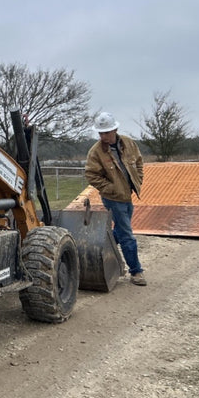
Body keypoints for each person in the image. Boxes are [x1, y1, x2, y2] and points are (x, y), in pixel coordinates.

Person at [85, 112, 147, 286]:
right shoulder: (96, 152)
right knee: (127, 234)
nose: (103, 136)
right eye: (100, 133)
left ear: (115, 129)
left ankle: (100, 246)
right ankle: (136, 271)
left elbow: (139, 162)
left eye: (106, 132)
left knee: (120, 231)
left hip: (128, 195)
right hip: (113, 198)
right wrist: (110, 188)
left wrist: (138, 179)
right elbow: (91, 174)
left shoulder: (128, 143)